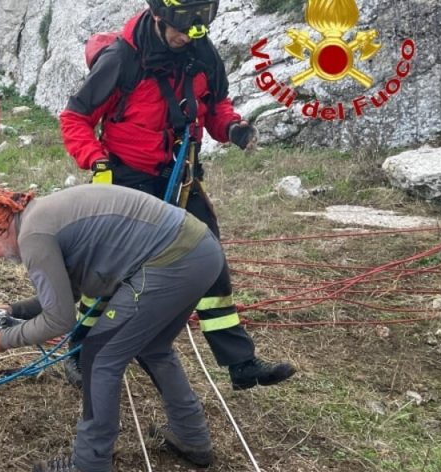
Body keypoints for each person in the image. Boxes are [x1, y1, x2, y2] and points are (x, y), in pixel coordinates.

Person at [58, 0, 295, 391]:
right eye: (180, 31)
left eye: (195, 31)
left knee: (209, 259)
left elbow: (214, 106)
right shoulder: (122, 59)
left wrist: (232, 128)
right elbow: (75, 118)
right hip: (126, 178)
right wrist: (97, 163)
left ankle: (241, 363)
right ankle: (80, 353)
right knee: (110, 271)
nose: (186, 38)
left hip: (180, 177)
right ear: (157, 18)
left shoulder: (201, 52)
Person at [0, 184, 223, 472]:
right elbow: (67, 295)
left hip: (172, 260)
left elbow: (59, 319)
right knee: (154, 347)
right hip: (199, 249)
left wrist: (3, 340)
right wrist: (13, 309)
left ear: (1, 230)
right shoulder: (39, 219)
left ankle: (90, 465)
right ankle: (191, 436)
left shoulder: (33, 236)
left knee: (99, 356)